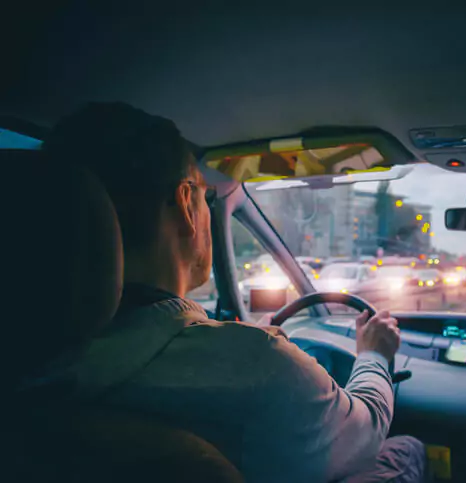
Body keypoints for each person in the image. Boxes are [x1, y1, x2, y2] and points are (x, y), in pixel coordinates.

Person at [43, 103, 428, 483]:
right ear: (185, 206)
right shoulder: (260, 367)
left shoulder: (27, 359)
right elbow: (366, 433)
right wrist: (375, 354)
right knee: (406, 449)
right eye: (206, 197)